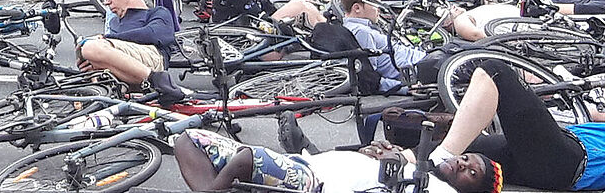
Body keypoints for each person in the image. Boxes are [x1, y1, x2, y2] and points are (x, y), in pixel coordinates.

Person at [431, 56, 605, 191]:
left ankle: (440, 157)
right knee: (467, 146)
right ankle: (408, 159)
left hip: (571, 161)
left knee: (495, 72)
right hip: (557, 153)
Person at [172, 128, 466, 193]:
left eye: (472, 173)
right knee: (188, 138)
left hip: (316, 184)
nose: (464, 163)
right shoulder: (419, 169)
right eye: (467, 158)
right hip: (305, 163)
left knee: (249, 158)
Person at [338, 0, 478, 91]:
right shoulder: (361, 32)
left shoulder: (356, 28)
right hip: (418, 69)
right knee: (475, 57)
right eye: (376, 6)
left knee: (465, 49)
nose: (379, 10)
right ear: (357, 8)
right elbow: (371, 75)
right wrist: (405, 88)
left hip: (424, 60)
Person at [75, 0, 181, 97]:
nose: (107, 2)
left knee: (91, 46)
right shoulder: (114, 22)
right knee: (85, 49)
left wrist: (105, 39)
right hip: (123, 71)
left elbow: (154, 34)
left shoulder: (157, 13)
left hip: (152, 58)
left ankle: (158, 79)